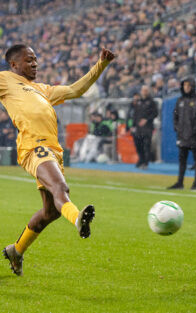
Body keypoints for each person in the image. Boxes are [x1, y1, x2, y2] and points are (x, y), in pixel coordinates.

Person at [0, 44, 115, 276]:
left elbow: (75, 90)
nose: (35, 64)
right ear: (14, 65)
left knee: (50, 212)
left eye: (35, 60)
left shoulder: (41, 89)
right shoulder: (5, 79)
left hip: (53, 149)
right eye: (28, 60)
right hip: (34, 146)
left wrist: (101, 65)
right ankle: (78, 220)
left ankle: (16, 250)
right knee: (60, 188)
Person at [168, 77, 196, 190]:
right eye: (184, 85)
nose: (186, 88)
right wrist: (177, 128)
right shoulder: (180, 101)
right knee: (182, 160)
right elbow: (175, 116)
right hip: (182, 136)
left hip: (195, 136)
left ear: (193, 87)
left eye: (188, 86)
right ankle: (180, 182)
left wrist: (194, 132)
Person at [130, 85, 158, 170]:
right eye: (143, 90)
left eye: (146, 90)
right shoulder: (138, 102)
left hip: (147, 128)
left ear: (148, 91)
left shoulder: (151, 102)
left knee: (146, 145)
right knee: (138, 144)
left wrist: (147, 120)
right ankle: (141, 159)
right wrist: (133, 125)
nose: (144, 92)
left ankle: (145, 162)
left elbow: (155, 113)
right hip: (138, 128)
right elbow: (135, 115)